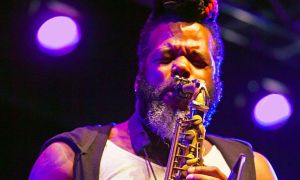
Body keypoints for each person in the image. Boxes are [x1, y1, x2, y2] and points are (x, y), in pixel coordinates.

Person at [29, 0, 277, 179]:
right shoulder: (68, 159)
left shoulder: (255, 170)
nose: (181, 66)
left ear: (216, 83)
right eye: (166, 57)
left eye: (198, 61)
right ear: (138, 77)